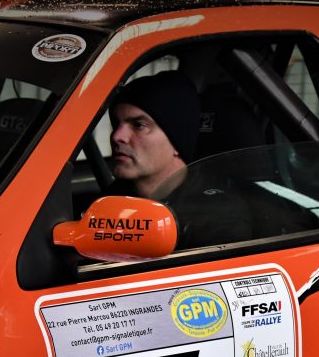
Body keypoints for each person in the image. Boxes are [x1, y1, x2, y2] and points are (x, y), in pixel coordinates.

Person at [106, 70, 252, 249]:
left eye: (139, 125)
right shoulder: (114, 198)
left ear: (176, 141)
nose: (117, 136)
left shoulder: (216, 216)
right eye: (116, 123)